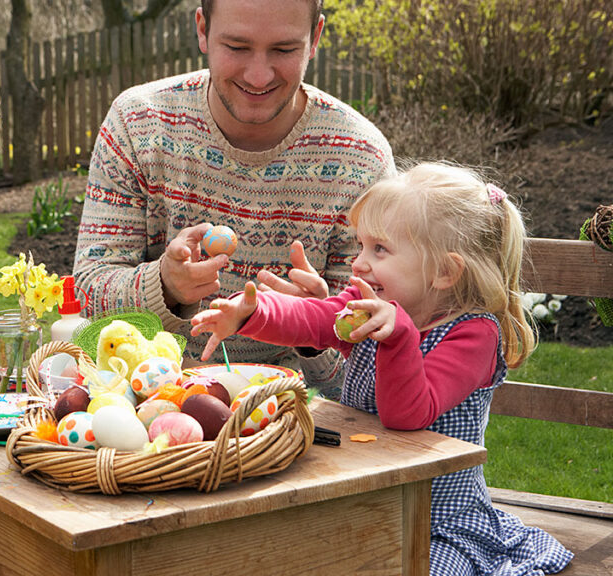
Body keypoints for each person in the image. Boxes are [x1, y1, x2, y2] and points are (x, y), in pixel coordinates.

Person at [190, 163, 573, 575]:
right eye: (361, 246)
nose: (358, 264)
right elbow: (314, 318)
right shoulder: (368, 306)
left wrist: (398, 337)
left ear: (444, 271)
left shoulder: (475, 334)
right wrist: (251, 313)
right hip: (360, 502)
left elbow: (408, 415)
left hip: (437, 521)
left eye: (380, 250)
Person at [72, 0, 395, 393]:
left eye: (284, 49)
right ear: (202, 29)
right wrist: (164, 287)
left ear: (315, 39)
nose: (258, 76)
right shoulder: (138, 125)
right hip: (149, 407)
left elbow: (374, 374)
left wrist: (315, 330)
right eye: (238, 47)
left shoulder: (360, 159)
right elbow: (88, 295)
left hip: (297, 421)